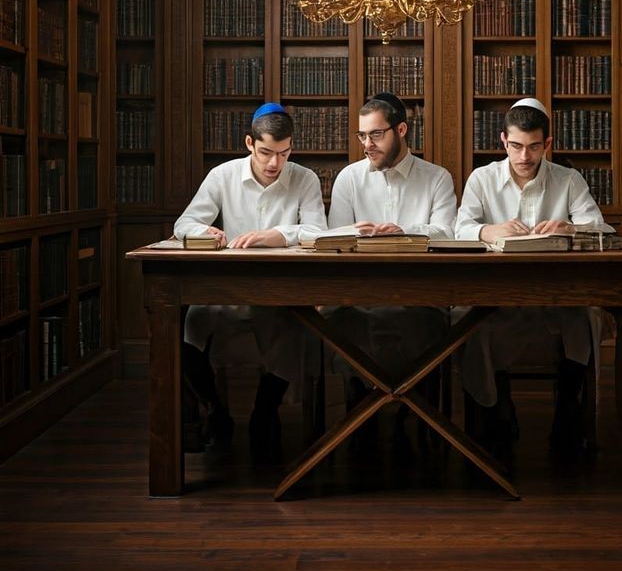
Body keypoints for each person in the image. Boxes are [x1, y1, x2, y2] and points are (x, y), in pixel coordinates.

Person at [454, 99, 612, 459]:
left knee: (585, 316)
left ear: (547, 144)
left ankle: (569, 408)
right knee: (471, 322)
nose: (524, 156)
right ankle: (497, 408)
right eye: (516, 146)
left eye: (534, 146)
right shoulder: (482, 178)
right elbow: (459, 228)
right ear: (503, 141)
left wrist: (571, 227)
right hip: (497, 296)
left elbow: (601, 228)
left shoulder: (568, 179)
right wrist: (489, 230)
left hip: (557, 295)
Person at [172, 102, 327, 460]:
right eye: (266, 152)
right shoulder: (223, 176)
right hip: (226, 289)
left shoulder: (304, 178)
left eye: (284, 153)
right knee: (190, 325)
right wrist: (205, 232)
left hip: (279, 293)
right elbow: (184, 224)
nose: (275, 163)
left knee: (295, 325)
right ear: (249, 144)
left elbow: (319, 232)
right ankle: (215, 410)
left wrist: (277, 235)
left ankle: (264, 411)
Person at [326, 91, 458, 443]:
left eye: (376, 134)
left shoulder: (437, 178)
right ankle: (359, 407)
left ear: (401, 130)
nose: (367, 145)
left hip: (420, 296)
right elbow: (334, 239)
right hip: (359, 295)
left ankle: (418, 410)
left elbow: (448, 233)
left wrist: (405, 231)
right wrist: (353, 233)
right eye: (362, 135)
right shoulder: (349, 178)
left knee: (429, 325)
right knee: (339, 321)